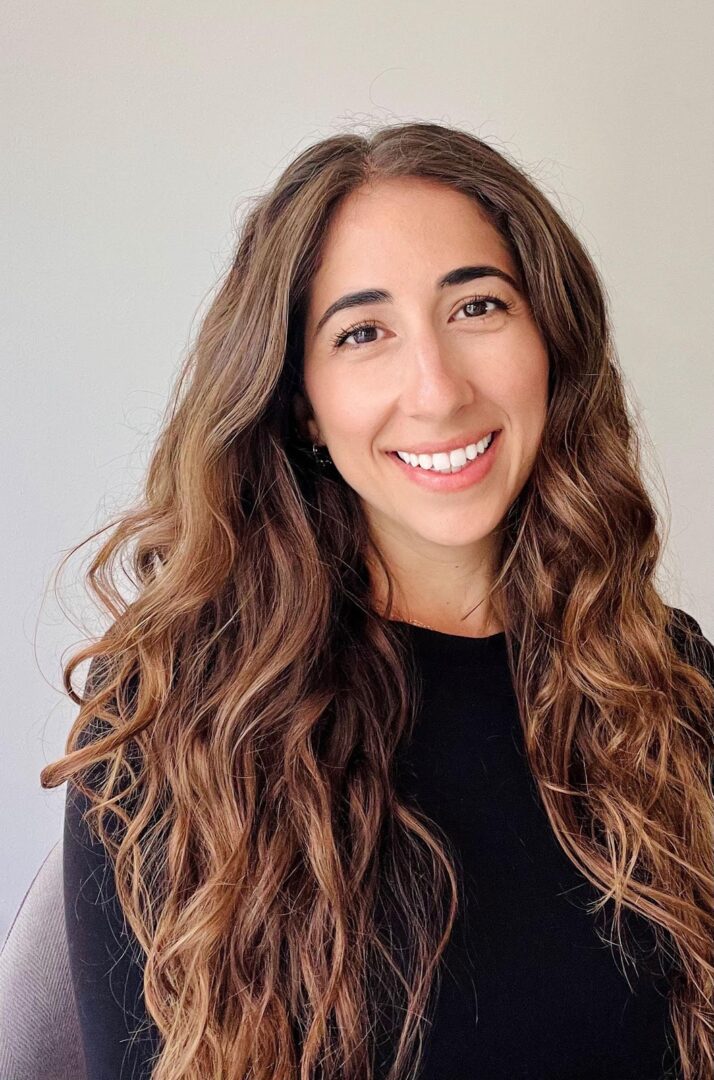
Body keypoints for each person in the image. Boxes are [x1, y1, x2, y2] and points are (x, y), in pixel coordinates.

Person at [41, 122, 714, 1080]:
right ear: (302, 400)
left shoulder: (670, 680)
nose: (436, 390)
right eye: (363, 332)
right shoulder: (175, 721)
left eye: (477, 307)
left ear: (549, 340)